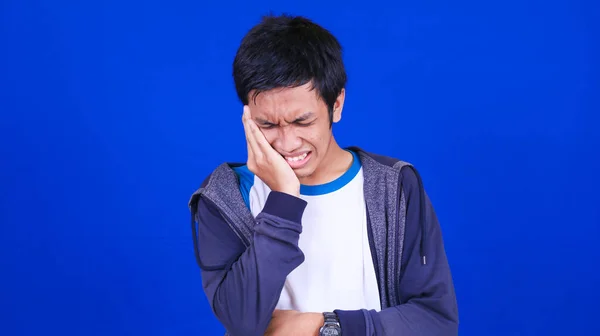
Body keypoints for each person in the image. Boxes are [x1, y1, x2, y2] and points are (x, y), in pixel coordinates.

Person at [188, 14, 459, 336]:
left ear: (337, 105)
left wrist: (325, 325)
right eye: (267, 125)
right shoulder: (225, 196)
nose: (287, 144)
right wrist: (283, 201)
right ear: (247, 115)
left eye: (302, 122)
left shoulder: (393, 185)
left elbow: (436, 321)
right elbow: (241, 321)